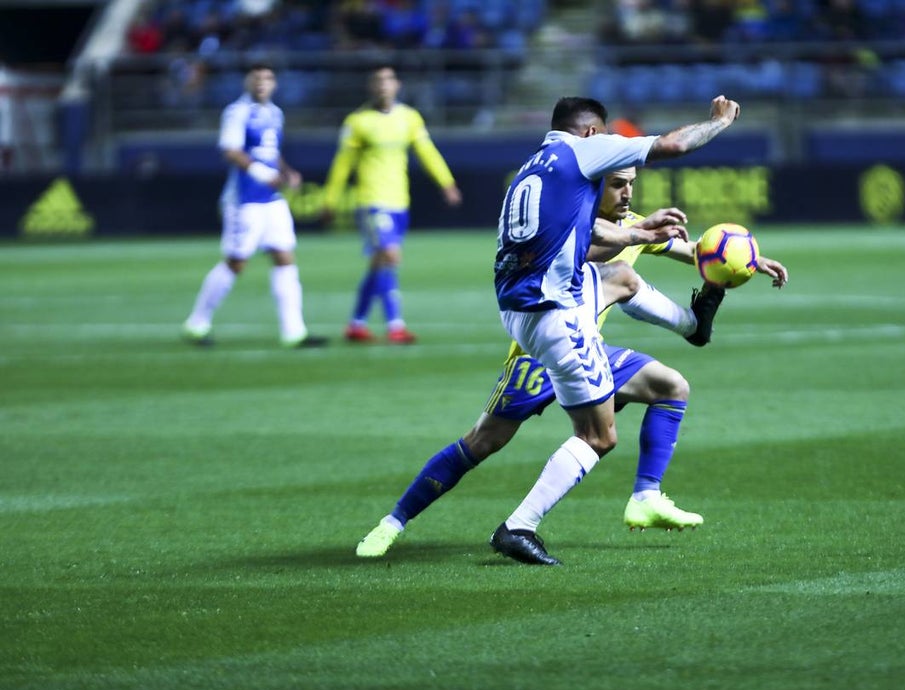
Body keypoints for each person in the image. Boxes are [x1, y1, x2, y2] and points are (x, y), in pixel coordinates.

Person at [355, 166, 787, 562]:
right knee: (481, 442)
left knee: (670, 386)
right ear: (595, 184)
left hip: (589, 350)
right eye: (618, 184)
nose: (626, 192)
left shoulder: (634, 226)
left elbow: (693, 250)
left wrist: (746, 261)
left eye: (631, 184)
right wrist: (633, 238)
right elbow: (603, 258)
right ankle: (392, 523)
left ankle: (645, 497)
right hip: (540, 355)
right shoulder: (568, 226)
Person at [490, 94, 744, 565]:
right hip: (554, 311)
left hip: (520, 306)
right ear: (590, 132)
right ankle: (518, 526)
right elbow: (670, 145)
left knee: (657, 361)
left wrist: (641, 235)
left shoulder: (535, 166)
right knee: (598, 437)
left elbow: (591, 233)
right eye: (606, 135)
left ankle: (691, 327)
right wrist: (719, 123)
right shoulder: (583, 151)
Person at [182, 63, 326, 348]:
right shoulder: (237, 112)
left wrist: (286, 172)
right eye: (257, 77)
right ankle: (196, 322)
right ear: (247, 81)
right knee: (237, 262)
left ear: (275, 83)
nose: (262, 83)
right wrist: (263, 174)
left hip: (272, 200)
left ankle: (293, 331)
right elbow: (231, 151)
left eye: (268, 78)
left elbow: (271, 153)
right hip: (244, 200)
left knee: (284, 256)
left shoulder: (275, 113)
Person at [322, 65, 462, 345]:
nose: (383, 86)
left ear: (397, 85)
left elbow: (427, 152)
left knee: (378, 264)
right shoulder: (358, 121)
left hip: (399, 202)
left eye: (388, 80)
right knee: (390, 256)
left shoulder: (409, 118)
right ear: (370, 87)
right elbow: (342, 163)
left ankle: (356, 323)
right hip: (371, 201)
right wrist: (330, 199)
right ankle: (395, 325)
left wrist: (446, 183)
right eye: (377, 81)